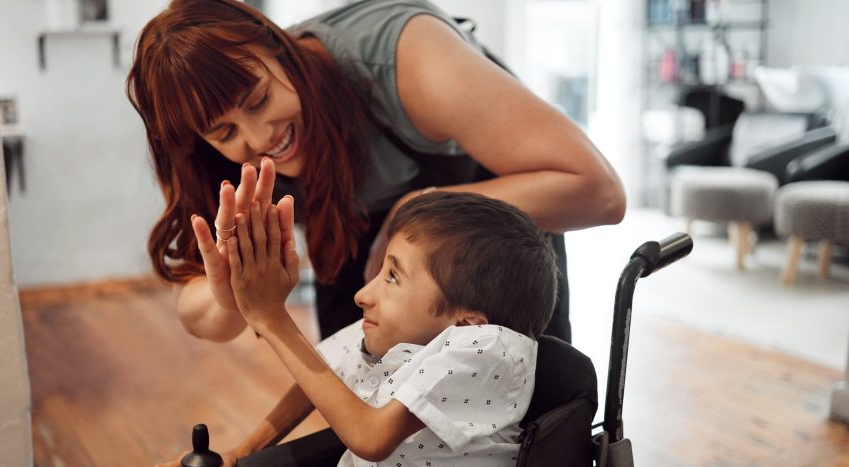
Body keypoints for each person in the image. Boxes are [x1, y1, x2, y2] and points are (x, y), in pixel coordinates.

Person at [126, 0, 625, 345]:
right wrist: (230, 294)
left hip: (490, 216)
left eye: (259, 100)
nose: (258, 142)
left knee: (524, 425)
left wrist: (414, 211)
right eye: (224, 132)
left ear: (281, 47)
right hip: (354, 222)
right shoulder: (210, 158)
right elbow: (197, 314)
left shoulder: (407, 58)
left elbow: (600, 192)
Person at [139, 191, 559, 467]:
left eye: (392, 278)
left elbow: (371, 437)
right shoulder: (391, 336)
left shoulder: (491, 349)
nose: (362, 294)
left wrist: (271, 318)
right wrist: (239, 452)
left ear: (467, 320)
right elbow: (316, 374)